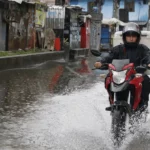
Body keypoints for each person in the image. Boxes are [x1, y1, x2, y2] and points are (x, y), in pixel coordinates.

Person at [94, 22, 150, 109]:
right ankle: (112, 102)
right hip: (121, 76)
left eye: (133, 36)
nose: (131, 38)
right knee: (109, 77)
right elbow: (109, 57)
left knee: (145, 80)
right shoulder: (118, 49)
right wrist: (101, 62)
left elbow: (148, 56)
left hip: (136, 75)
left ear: (137, 37)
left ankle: (141, 106)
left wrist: (148, 63)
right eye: (128, 36)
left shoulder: (143, 48)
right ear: (124, 37)